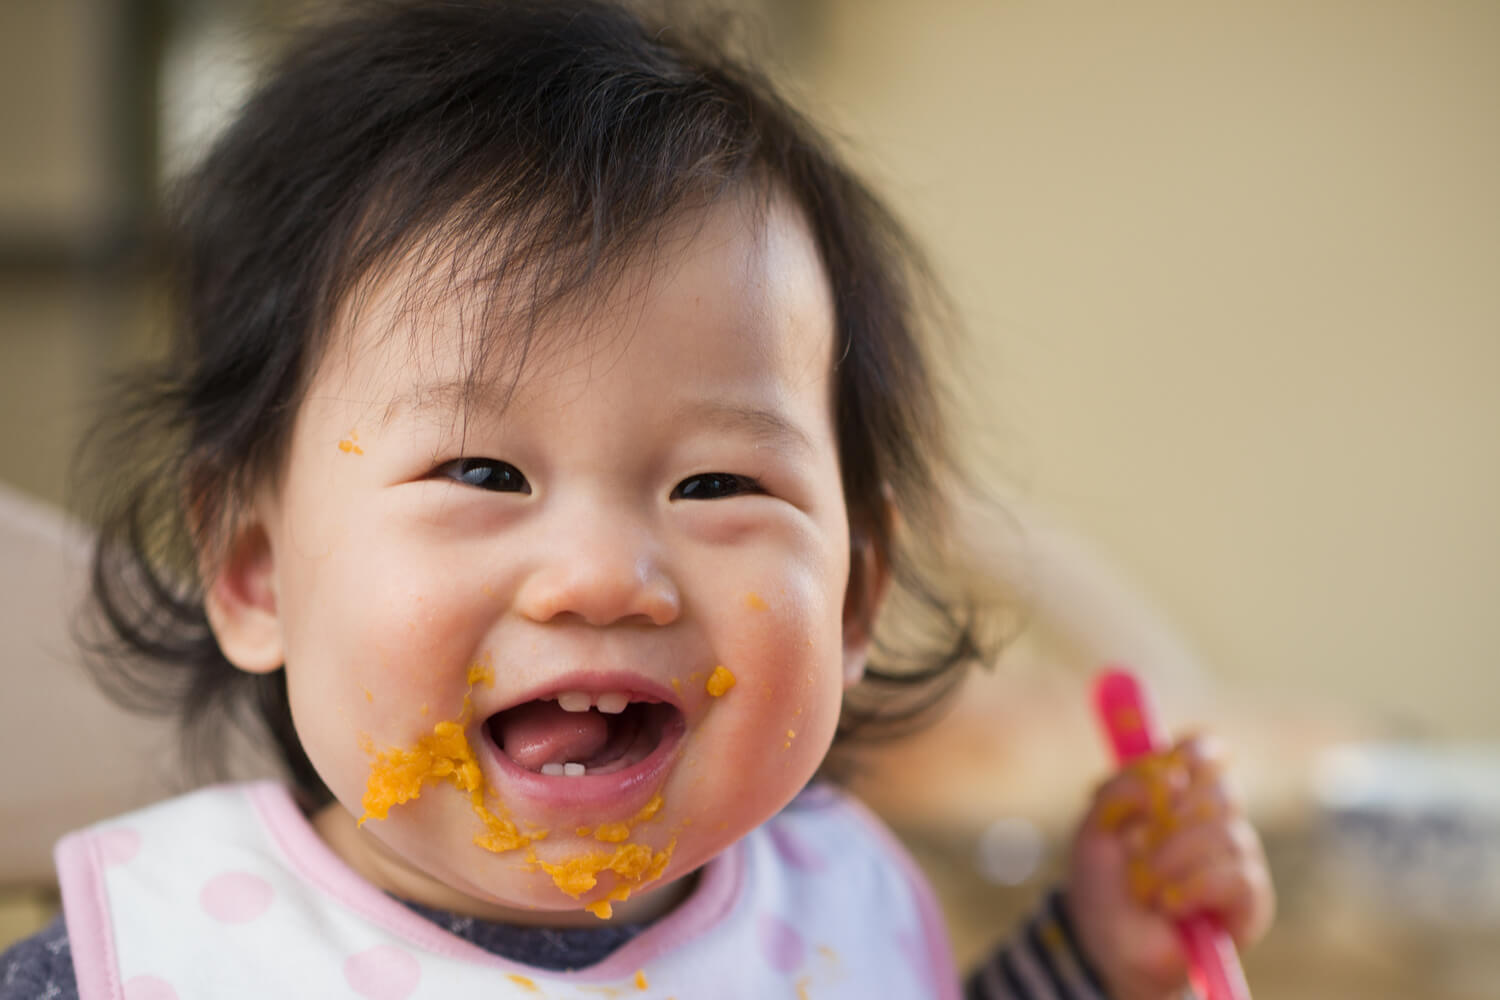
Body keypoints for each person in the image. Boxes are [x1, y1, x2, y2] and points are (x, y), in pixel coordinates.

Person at [0, 2, 1273, 997]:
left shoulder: (840, 908)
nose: (604, 575)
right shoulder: (155, 957)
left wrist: (1097, 964)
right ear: (257, 570)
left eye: (718, 482)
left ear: (853, 595)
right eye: (485, 473)